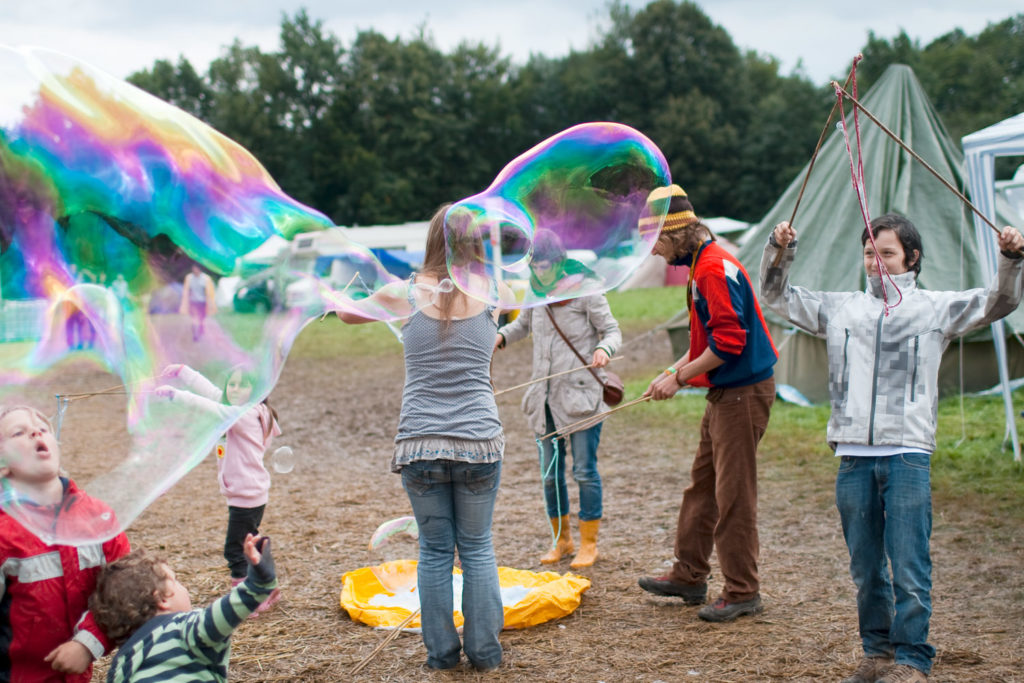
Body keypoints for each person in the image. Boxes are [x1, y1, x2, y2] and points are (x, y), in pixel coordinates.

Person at [760, 214, 1024, 683]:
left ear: (911, 258)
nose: (876, 262)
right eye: (869, 253)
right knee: (866, 569)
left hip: (907, 454)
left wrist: (1010, 257)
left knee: (909, 565)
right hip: (853, 456)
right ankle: (877, 654)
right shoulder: (842, 310)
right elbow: (777, 296)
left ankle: (912, 661)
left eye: (886, 253)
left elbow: (999, 300)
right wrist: (781, 250)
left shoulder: (934, 309)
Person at [334, 203, 513, 671]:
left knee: (434, 551)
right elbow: (518, 301)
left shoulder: (404, 293)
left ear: (431, 242)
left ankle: (442, 656)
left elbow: (347, 315)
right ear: (473, 244)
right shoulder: (496, 291)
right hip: (479, 443)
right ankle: (486, 655)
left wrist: (345, 292)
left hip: (419, 443)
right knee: (476, 547)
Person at [637, 184, 778, 623]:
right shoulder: (703, 263)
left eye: (657, 240)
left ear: (678, 232)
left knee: (733, 495)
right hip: (725, 393)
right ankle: (689, 574)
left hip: (742, 394)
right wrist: (671, 371)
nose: (655, 252)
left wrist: (679, 378)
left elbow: (731, 343)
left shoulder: (712, 269)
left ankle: (742, 591)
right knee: (702, 485)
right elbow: (708, 339)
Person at [494, 230, 621, 568]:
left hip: (581, 394)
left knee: (584, 471)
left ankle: (588, 544)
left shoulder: (586, 289)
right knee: (550, 474)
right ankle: (562, 541)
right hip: (544, 397)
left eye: (545, 265)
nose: (539, 272)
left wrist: (603, 349)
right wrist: (501, 337)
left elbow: (612, 330)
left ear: (559, 261)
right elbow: (523, 325)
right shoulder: (535, 290)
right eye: (534, 266)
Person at [0, 404, 131, 681]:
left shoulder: (99, 517)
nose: (36, 431)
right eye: (18, 432)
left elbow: (124, 592)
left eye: (43, 428)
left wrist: (88, 643)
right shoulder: (3, 532)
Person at [155, 363, 282, 615]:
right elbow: (214, 395)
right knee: (250, 542)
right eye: (231, 384)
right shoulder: (252, 410)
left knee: (235, 551)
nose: (234, 389)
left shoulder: (243, 416)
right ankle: (269, 587)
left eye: (242, 385)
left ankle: (248, 601)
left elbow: (210, 406)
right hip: (252, 493)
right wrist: (184, 372)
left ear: (255, 390)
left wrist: (176, 395)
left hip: (245, 496)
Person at [92, 533, 277, 682]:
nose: (183, 587)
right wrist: (258, 583)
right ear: (162, 599)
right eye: (176, 581)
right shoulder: (181, 630)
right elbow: (221, 616)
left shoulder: (121, 665)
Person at [180, 264, 216, 341]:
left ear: (200, 269)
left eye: (196, 269)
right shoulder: (189, 278)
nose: (194, 270)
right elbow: (187, 290)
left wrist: (210, 303)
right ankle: (195, 333)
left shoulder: (205, 278)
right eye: (193, 269)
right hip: (193, 301)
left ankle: (200, 328)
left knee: (201, 318)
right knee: (194, 318)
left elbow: (209, 291)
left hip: (202, 301)